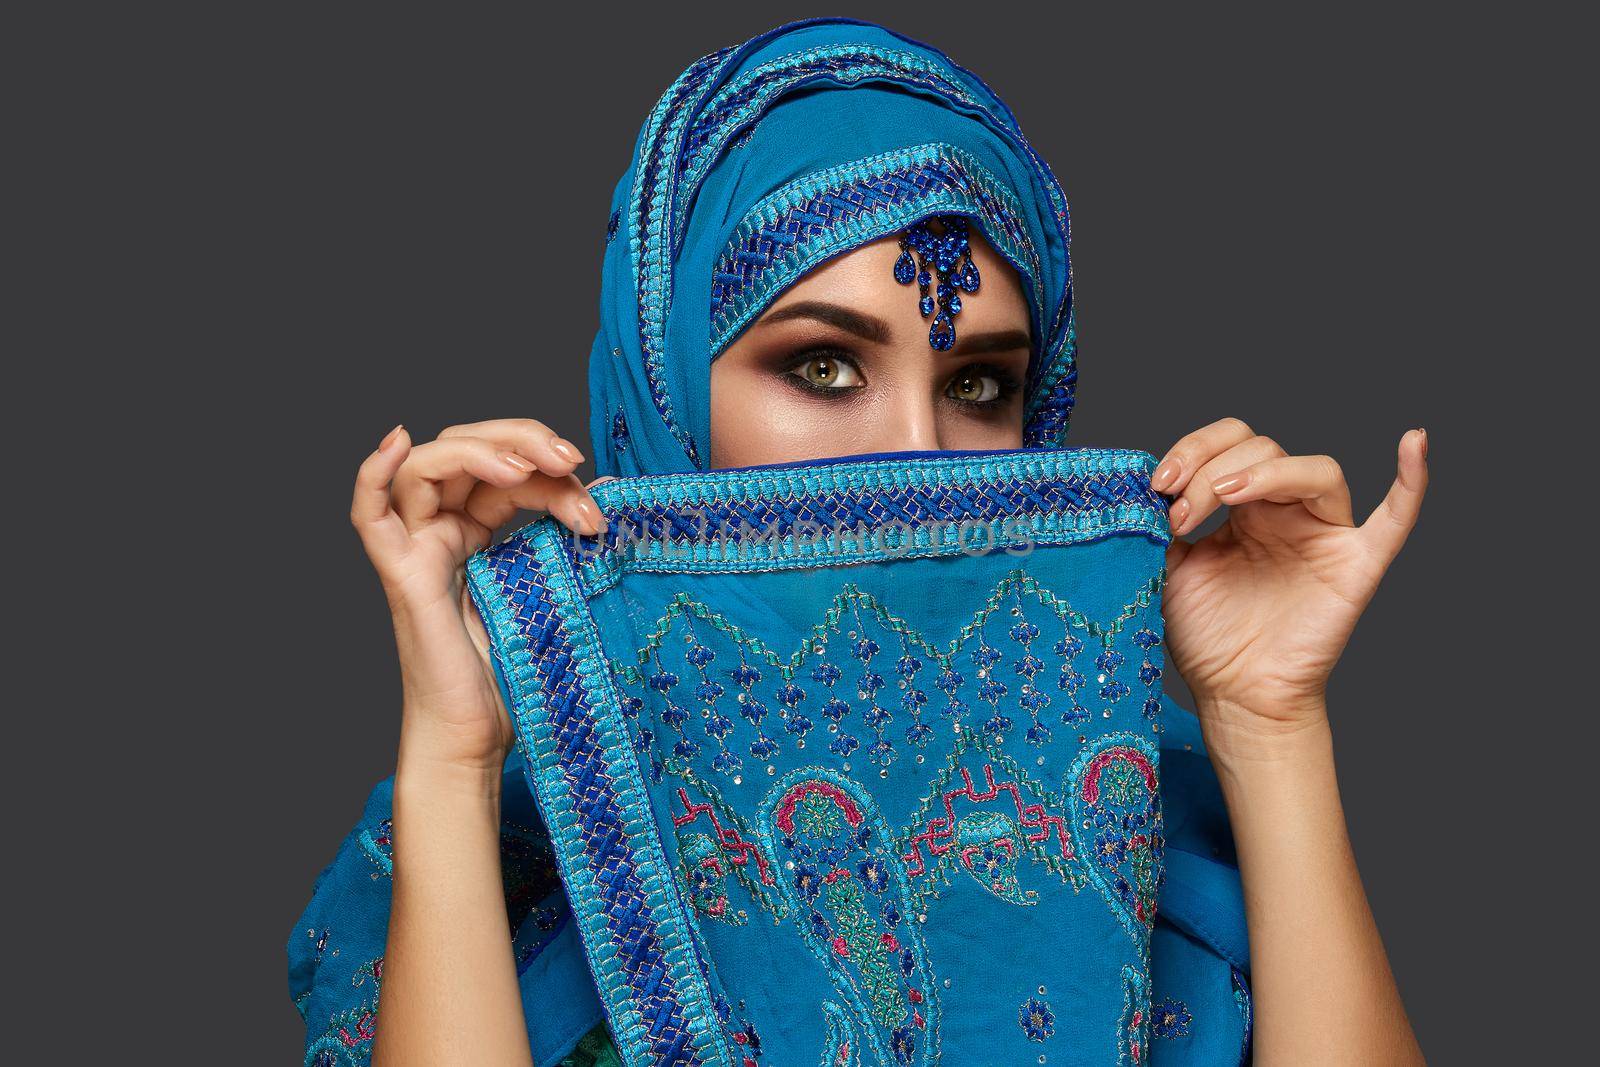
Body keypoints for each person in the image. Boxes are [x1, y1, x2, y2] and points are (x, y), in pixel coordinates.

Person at [291, 17, 1427, 1066]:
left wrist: (1268, 728)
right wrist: (451, 755)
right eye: (823, 369)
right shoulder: (500, 850)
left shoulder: (1173, 827)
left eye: (980, 383)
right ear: (669, 393)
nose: (917, 456)